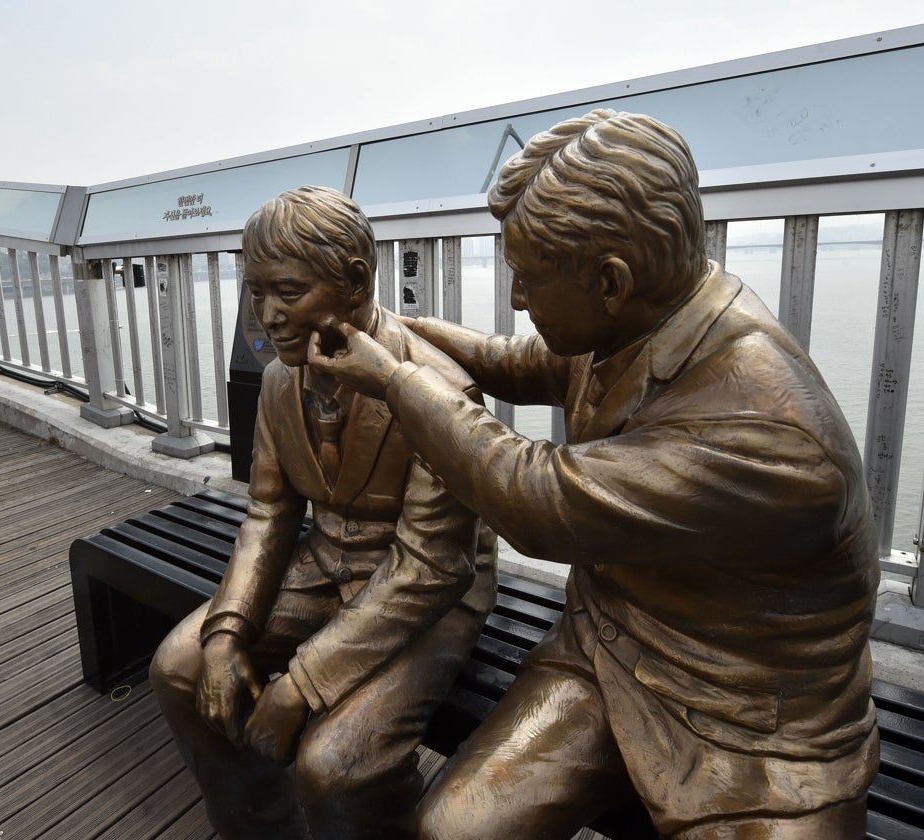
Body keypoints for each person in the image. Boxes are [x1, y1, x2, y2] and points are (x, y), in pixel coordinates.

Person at [308, 110, 879, 838]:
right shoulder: (645, 317)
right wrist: (389, 333)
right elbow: (514, 361)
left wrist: (392, 381)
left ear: (609, 280)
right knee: (452, 830)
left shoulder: (772, 436)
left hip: (758, 726)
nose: (517, 298)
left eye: (527, 280)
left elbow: (537, 496)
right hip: (608, 650)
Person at [148, 185, 496, 840]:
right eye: (257, 294)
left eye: (288, 292)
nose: (269, 316)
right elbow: (269, 513)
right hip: (320, 564)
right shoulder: (282, 379)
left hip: (428, 593)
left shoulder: (440, 390)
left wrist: (301, 684)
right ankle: (260, 828)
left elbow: (433, 566)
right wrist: (225, 635)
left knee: (335, 763)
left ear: (356, 281)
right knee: (180, 667)